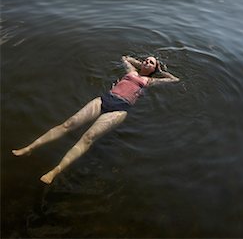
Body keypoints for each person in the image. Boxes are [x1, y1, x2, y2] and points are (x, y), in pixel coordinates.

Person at [12, 55, 179, 184]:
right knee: (68, 124)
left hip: (120, 109)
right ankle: (30, 148)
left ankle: (56, 171)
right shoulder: (130, 72)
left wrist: (159, 69)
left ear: (154, 69)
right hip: (104, 99)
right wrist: (141, 64)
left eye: (150, 62)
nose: (146, 62)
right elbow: (124, 58)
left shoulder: (149, 81)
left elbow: (174, 80)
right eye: (145, 60)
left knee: (88, 137)